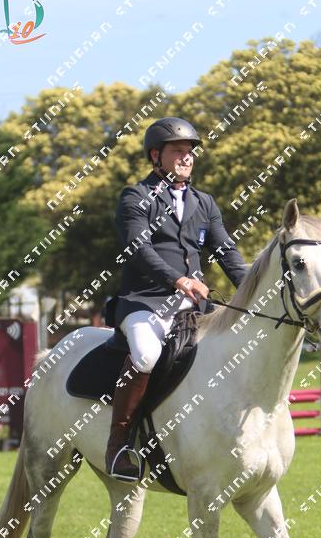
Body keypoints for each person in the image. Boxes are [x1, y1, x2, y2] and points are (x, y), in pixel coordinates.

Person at [105, 117, 247, 481]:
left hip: (193, 306)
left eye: (190, 152)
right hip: (144, 302)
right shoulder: (135, 197)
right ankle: (119, 444)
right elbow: (138, 248)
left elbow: (226, 252)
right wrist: (178, 279)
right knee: (146, 354)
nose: (187, 158)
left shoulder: (204, 202)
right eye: (178, 151)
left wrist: (253, 291)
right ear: (156, 156)